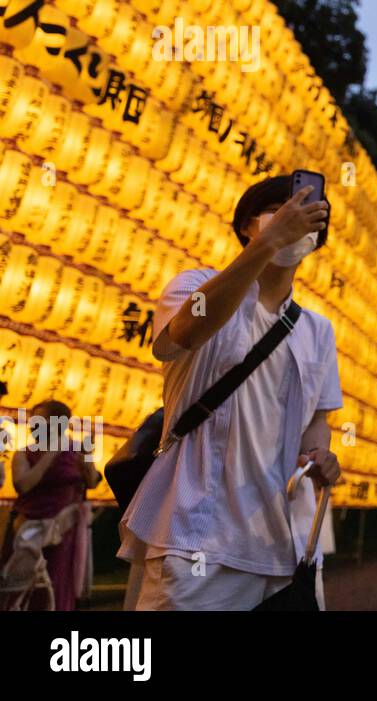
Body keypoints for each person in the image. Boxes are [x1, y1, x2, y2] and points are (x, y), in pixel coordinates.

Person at [117, 175, 343, 610]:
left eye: (306, 213)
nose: (293, 221)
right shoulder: (194, 287)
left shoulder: (318, 331)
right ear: (247, 225)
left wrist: (320, 457)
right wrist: (268, 245)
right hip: (194, 535)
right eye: (280, 210)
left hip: (281, 546)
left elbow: (316, 422)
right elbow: (183, 331)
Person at [2, 401, 101, 610]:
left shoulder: (77, 450)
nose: (34, 426)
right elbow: (23, 485)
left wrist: (87, 461)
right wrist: (51, 454)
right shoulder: (24, 453)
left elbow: (91, 481)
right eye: (33, 421)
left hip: (63, 532)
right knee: (19, 588)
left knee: (56, 587)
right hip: (27, 530)